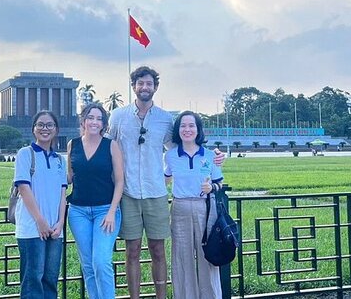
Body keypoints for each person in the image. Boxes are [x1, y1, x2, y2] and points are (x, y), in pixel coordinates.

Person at [107, 65, 224, 299]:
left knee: (158, 249)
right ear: (133, 86)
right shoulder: (118, 116)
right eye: (140, 83)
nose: (145, 87)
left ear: (155, 87)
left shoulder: (164, 119)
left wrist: (213, 155)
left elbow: (182, 146)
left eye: (149, 83)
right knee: (132, 250)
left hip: (156, 193)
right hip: (128, 192)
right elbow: (107, 147)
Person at [67, 103, 124, 299]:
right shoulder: (73, 145)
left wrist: (112, 212)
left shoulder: (111, 145)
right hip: (78, 212)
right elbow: (69, 176)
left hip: (105, 210)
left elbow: (120, 181)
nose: (94, 122)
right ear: (83, 121)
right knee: (88, 265)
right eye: (90, 117)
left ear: (104, 123)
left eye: (99, 119)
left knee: (101, 261)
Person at [164, 111, 224, 299]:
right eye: (183, 125)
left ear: (198, 130)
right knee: (182, 258)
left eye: (191, 125)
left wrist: (211, 187)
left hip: (204, 208)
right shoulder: (170, 156)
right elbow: (165, 179)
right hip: (180, 208)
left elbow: (219, 183)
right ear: (177, 129)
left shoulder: (210, 155)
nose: (187, 129)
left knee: (208, 256)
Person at [13, 110, 67, 299]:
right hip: (31, 228)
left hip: (54, 230)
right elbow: (23, 188)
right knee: (32, 281)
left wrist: (60, 223)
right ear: (33, 129)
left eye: (50, 125)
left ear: (56, 129)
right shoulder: (25, 154)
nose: (45, 129)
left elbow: (62, 194)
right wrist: (40, 220)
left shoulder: (60, 160)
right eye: (40, 125)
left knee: (50, 280)